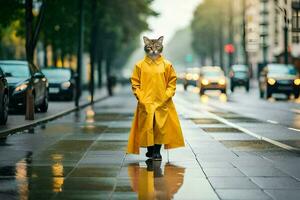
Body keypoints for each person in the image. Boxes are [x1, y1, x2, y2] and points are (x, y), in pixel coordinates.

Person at [127, 36, 185, 161]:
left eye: (157, 47)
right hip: (145, 102)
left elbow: (172, 82)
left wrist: (167, 95)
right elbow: (135, 83)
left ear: (161, 47)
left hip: (162, 101)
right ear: (146, 48)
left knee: (160, 127)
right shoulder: (139, 65)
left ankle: (157, 151)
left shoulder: (167, 65)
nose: (153, 50)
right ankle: (150, 150)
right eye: (150, 47)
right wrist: (140, 97)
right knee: (147, 127)